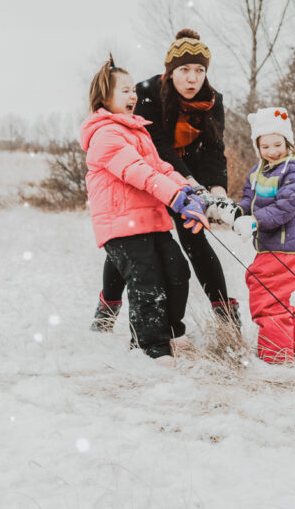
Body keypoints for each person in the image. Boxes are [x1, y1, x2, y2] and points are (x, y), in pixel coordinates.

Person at [91, 29, 240, 331]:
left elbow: (213, 148)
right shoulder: (146, 93)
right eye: (184, 70)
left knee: (195, 242)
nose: (192, 78)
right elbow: (157, 146)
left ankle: (226, 317)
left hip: (189, 177)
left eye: (199, 70)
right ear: (170, 72)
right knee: (132, 239)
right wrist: (186, 184)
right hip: (155, 174)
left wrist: (217, 189)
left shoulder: (213, 101)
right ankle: (107, 310)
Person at [80, 56, 210, 365]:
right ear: (104, 97)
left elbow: (160, 168)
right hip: (122, 225)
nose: (133, 96)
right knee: (146, 283)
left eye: (133, 90)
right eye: (124, 90)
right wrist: (176, 198)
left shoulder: (137, 131)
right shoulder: (106, 135)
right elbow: (139, 172)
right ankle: (149, 346)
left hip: (150, 221)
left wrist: (189, 191)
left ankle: (170, 331)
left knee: (178, 270)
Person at [229, 107, 295, 363]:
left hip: (288, 249)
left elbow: (286, 206)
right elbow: (249, 197)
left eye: (277, 144)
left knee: (266, 296)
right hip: (272, 247)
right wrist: (238, 211)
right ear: (258, 147)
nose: (272, 151)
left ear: (288, 142)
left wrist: (255, 223)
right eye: (265, 146)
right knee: (275, 296)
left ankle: (276, 357)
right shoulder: (258, 171)